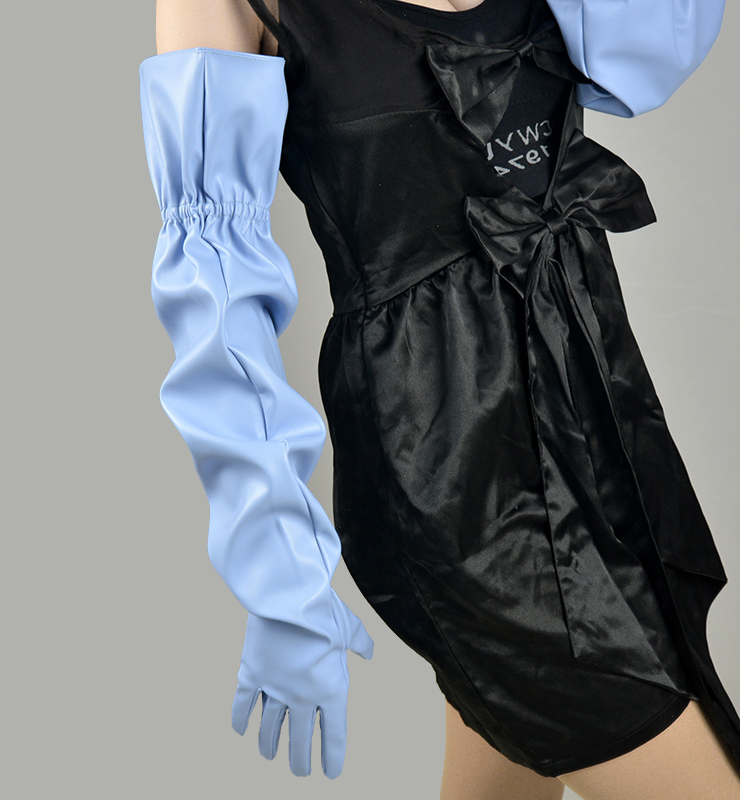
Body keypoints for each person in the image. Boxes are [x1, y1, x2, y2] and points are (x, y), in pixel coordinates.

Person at [139, 0, 740, 797]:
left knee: (502, 777)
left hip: (594, 415)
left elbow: (647, 54)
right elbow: (214, 287)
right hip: (447, 469)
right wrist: (280, 581)